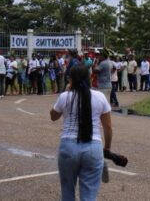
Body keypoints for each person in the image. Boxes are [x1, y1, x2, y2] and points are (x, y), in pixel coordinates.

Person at [50, 65, 113, 201]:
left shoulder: (65, 97)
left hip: (68, 146)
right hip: (93, 146)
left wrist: (66, 91)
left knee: (67, 192)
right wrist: (107, 148)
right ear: (89, 78)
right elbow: (108, 127)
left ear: (71, 80)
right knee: (89, 195)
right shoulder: (100, 97)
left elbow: (53, 116)